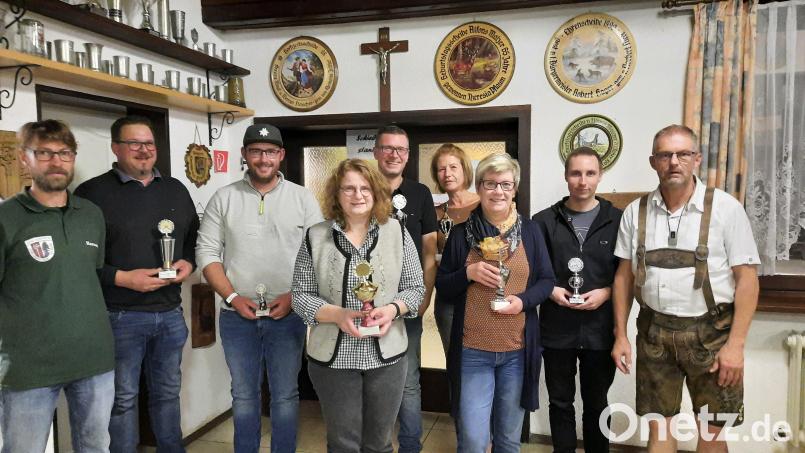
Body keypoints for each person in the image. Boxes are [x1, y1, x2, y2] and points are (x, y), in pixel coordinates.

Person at [611, 125, 760, 452]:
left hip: (712, 336)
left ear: (697, 159)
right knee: (658, 432)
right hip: (654, 336)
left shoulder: (726, 208)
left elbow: (747, 279)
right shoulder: (635, 212)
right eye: (665, 155)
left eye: (682, 154)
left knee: (711, 433)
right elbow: (623, 276)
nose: (673, 162)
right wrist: (620, 334)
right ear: (654, 162)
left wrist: (735, 345)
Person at [75, 116, 199, 453]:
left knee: (168, 395)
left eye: (149, 144)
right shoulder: (91, 194)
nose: (143, 151)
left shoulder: (175, 189)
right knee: (122, 399)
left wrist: (189, 262)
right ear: (116, 148)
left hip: (170, 314)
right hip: (119, 316)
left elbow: (191, 241)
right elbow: (78, 259)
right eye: (134, 144)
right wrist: (123, 278)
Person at [196, 124, 322, 453]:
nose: (263, 159)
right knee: (243, 395)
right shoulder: (223, 198)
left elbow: (318, 254)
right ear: (244, 155)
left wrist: (295, 298)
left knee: (284, 395)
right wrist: (233, 298)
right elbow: (206, 254)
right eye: (255, 151)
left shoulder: (302, 198)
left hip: (288, 314)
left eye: (270, 152)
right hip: (237, 316)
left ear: (281, 155)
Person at [291, 158, 424, 453]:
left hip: (387, 356)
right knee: (342, 444)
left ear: (376, 192)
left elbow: (416, 289)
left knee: (379, 444)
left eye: (365, 188)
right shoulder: (316, 236)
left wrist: (391, 310)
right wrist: (338, 315)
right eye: (348, 188)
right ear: (336, 194)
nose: (358, 195)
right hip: (334, 358)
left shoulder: (397, 232)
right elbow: (300, 296)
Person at [0, 120, 115, 452]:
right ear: (24, 159)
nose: (56, 161)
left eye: (64, 153)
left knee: (95, 447)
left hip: (93, 359)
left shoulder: (91, 214)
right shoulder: (7, 218)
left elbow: (89, 274)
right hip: (28, 368)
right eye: (44, 153)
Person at [436, 153, 554, 453]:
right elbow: (444, 287)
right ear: (479, 187)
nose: (498, 191)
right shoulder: (462, 235)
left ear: (515, 189)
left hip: (516, 351)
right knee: (474, 441)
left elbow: (546, 281)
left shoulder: (531, 232)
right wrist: (468, 273)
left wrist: (523, 301)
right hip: (473, 351)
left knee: (508, 440)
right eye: (490, 184)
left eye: (505, 184)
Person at [532, 147, 621, 453]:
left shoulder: (618, 219)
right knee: (560, 403)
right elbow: (533, 272)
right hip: (558, 330)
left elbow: (627, 274)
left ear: (600, 176)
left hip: (600, 329)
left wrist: (607, 292)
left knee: (597, 403)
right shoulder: (543, 221)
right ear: (566, 176)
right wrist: (552, 291)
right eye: (576, 173)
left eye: (590, 173)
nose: (583, 181)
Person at [372, 125, 437, 453]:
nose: (394, 154)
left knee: (409, 381)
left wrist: (423, 298)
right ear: (376, 152)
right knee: (370, 379)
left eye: (401, 149)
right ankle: (376, 444)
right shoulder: (363, 188)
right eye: (387, 148)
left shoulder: (421, 193)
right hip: (368, 303)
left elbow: (429, 251)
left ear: (408, 156)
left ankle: (410, 446)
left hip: (407, 301)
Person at [430, 144, 480, 355]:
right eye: (441, 169)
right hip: (448, 300)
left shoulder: (484, 205)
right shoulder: (435, 213)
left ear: (465, 170)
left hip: (481, 296)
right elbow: (428, 255)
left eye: (453, 167)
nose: (447, 174)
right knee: (455, 366)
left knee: (480, 364)